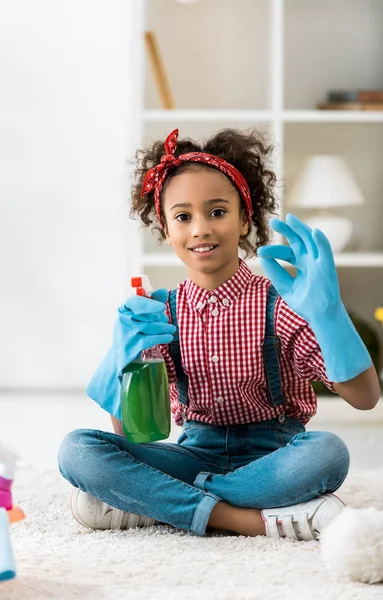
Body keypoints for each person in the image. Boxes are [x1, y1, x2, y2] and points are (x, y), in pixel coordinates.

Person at [58, 128, 380, 541]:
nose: (199, 229)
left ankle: (158, 505)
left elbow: (366, 397)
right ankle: (248, 519)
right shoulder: (160, 313)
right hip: (193, 453)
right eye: (183, 216)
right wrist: (123, 359)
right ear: (165, 228)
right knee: (78, 450)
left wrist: (330, 315)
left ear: (245, 217)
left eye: (216, 212)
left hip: (276, 456)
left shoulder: (282, 304)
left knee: (328, 453)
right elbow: (128, 436)